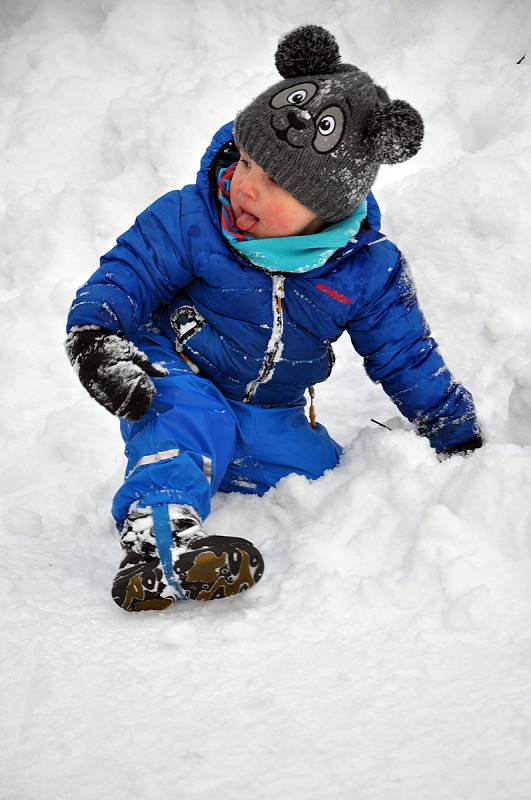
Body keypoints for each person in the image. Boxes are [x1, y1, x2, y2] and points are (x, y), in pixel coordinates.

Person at [65, 25, 482, 612]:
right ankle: (159, 544)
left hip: (269, 407)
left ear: (328, 208)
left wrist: (450, 426)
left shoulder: (367, 269)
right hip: (177, 369)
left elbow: (404, 352)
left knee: (319, 473)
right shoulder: (192, 218)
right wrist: (96, 338)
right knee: (187, 415)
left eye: (275, 181)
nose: (245, 186)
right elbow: (127, 271)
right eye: (248, 160)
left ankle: (216, 466)